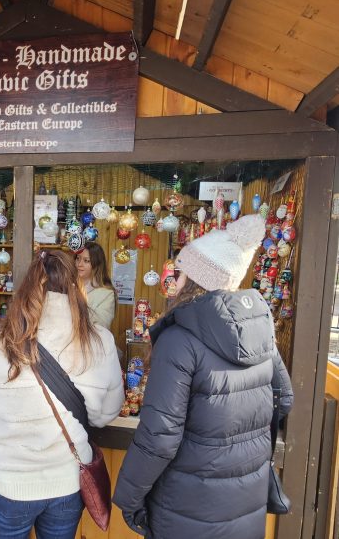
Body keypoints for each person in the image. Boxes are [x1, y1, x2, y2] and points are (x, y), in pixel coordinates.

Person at [113, 214, 294, 539]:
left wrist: (127, 498)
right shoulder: (260, 327)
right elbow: (285, 398)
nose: (173, 281)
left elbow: (159, 437)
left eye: (179, 273)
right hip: (245, 505)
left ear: (197, 279)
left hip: (187, 510)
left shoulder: (179, 338)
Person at [0, 249, 124, 539]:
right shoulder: (101, 342)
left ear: (26, 287)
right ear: (77, 287)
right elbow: (104, 414)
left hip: (9, 481)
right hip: (68, 480)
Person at [74, 242, 116, 329]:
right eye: (78, 259)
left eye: (86, 261)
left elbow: (103, 324)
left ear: (97, 265)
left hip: (91, 341)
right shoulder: (67, 285)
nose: (79, 264)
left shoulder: (107, 293)